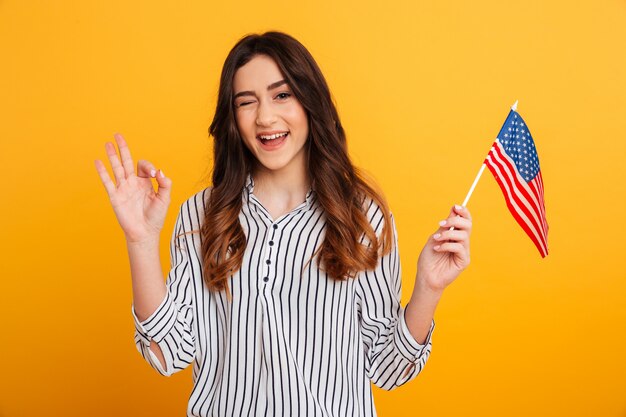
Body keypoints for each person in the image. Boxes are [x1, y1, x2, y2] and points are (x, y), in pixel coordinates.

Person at [94, 31, 472, 417]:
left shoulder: (360, 217)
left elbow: (388, 368)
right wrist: (140, 241)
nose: (265, 117)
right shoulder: (201, 216)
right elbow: (167, 352)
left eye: (282, 95)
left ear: (311, 103)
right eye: (246, 102)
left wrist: (427, 288)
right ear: (233, 119)